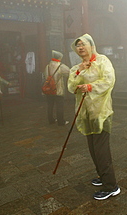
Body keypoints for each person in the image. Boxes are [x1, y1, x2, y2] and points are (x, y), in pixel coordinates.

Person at [68, 33, 120, 200]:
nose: (80, 48)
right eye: (77, 46)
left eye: (83, 44)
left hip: (101, 112)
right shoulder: (78, 67)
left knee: (101, 149)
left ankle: (111, 186)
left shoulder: (103, 61)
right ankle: (102, 176)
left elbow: (108, 81)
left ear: (91, 45)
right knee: (93, 148)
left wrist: (90, 86)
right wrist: (79, 72)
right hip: (85, 113)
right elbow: (71, 86)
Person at [44, 50, 70, 125]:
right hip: (58, 90)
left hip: (49, 90)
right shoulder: (60, 66)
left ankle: (51, 120)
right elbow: (69, 73)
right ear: (59, 57)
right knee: (59, 106)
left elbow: (45, 76)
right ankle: (61, 121)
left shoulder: (47, 66)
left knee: (50, 105)